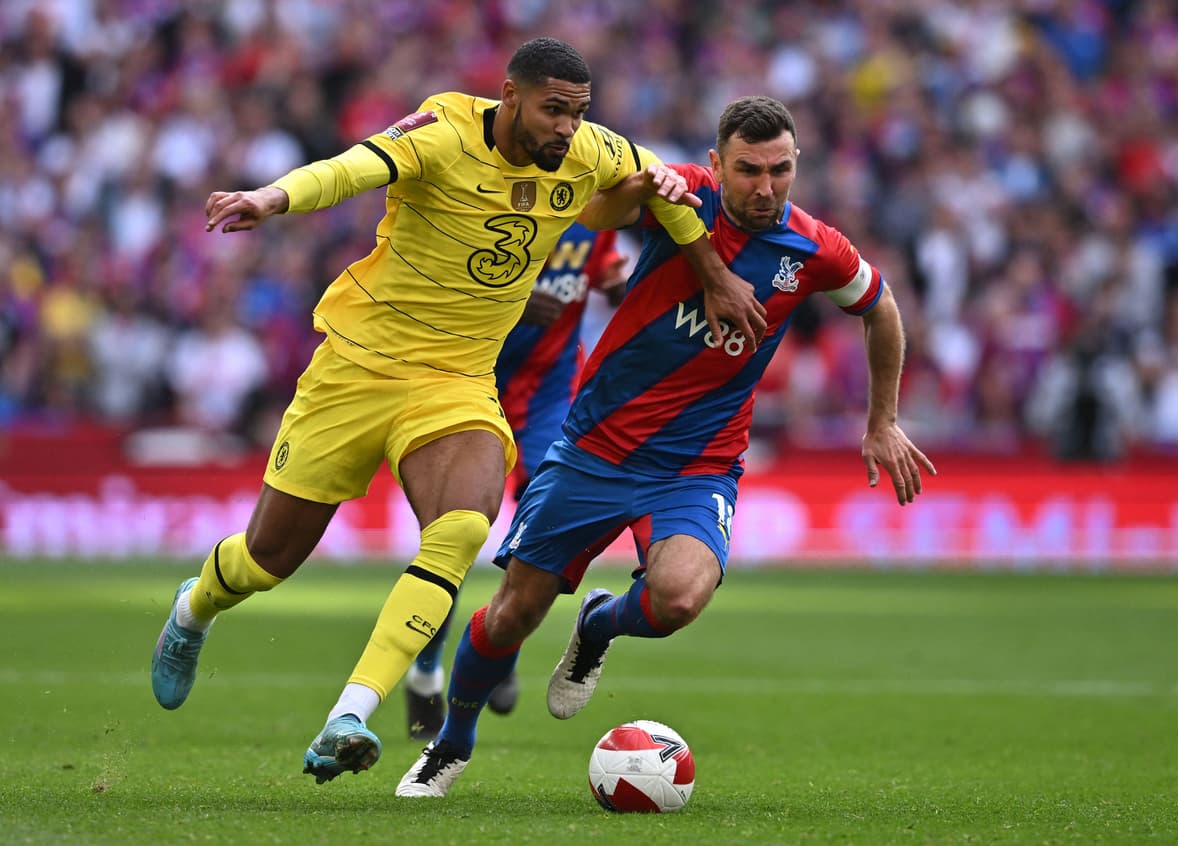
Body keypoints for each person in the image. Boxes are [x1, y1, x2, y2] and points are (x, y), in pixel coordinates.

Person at [148, 37, 768, 786]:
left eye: (578, 113)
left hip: (455, 380)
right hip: (354, 367)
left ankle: (351, 712)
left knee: (465, 526)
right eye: (553, 111)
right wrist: (271, 198)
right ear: (510, 97)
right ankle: (195, 607)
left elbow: (666, 197)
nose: (568, 128)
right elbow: (351, 168)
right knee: (266, 559)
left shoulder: (591, 150)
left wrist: (711, 274)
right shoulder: (440, 133)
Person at [395, 95, 936, 798]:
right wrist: (643, 186)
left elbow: (881, 306)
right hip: (594, 448)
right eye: (748, 170)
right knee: (512, 614)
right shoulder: (684, 195)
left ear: (797, 165)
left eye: (779, 170)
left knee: (678, 598)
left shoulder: (814, 248)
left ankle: (599, 622)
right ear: (718, 163)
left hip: (697, 464)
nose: (764, 186)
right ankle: (450, 743)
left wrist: (882, 420)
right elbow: (596, 215)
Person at [404, 222, 627, 740]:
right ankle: (425, 670)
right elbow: (437, 287)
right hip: (467, 383)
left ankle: (501, 649)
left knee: (542, 536)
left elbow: (614, 281)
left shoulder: (596, 216)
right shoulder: (494, 203)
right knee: (453, 538)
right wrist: (516, 303)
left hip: (549, 397)